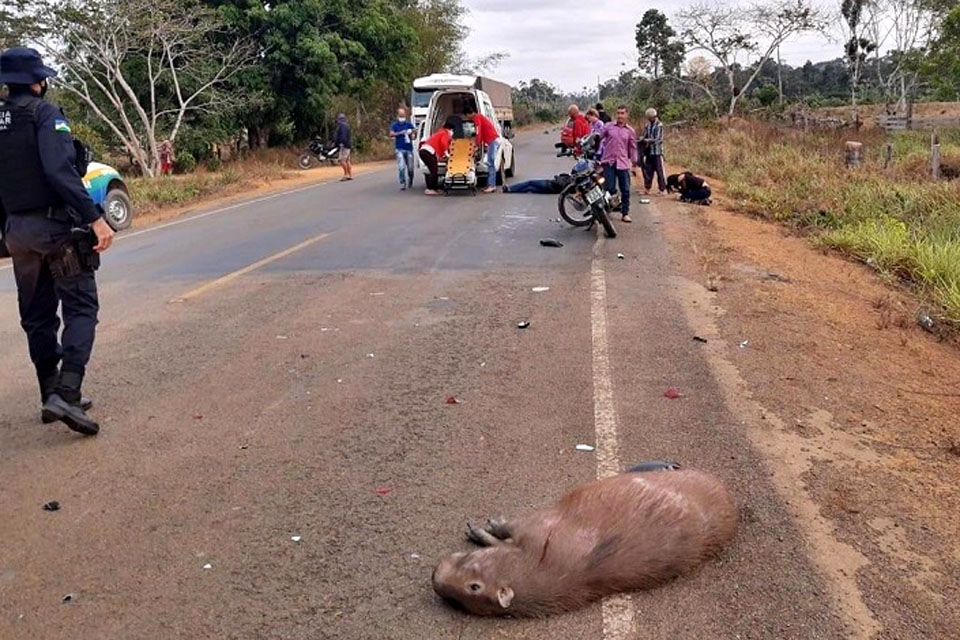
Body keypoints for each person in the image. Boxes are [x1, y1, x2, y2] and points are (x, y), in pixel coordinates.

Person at [0, 46, 115, 435]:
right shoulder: (44, 114)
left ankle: (50, 392)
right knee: (82, 308)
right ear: (36, 82)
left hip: (18, 235)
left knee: (37, 316)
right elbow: (60, 171)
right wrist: (96, 219)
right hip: (55, 232)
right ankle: (66, 394)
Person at [597, 105, 638, 223]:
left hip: (623, 163)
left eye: (622, 113)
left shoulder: (630, 131)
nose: (620, 116)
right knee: (609, 188)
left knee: (625, 189)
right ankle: (609, 209)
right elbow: (598, 137)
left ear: (627, 115)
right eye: (618, 113)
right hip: (608, 162)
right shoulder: (609, 127)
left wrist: (634, 163)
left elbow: (633, 148)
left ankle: (625, 213)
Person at [465, 105, 501, 194]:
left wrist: (476, 145)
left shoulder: (477, 118)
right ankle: (490, 184)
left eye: (466, 116)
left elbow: (478, 132)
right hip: (492, 141)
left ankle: (492, 186)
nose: (467, 118)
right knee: (489, 163)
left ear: (469, 114)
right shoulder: (480, 117)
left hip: (492, 141)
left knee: (490, 163)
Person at [418, 117, 456, 196]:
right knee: (434, 170)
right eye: (453, 130)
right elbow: (443, 143)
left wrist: (443, 155)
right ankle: (430, 189)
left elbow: (439, 146)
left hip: (424, 151)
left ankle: (434, 188)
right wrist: (447, 154)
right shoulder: (445, 133)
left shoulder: (440, 132)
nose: (453, 133)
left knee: (433, 170)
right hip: (428, 152)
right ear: (450, 129)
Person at [640, 107, 666, 195]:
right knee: (648, 170)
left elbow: (659, 139)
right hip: (649, 152)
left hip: (657, 151)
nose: (649, 119)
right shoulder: (648, 125)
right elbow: (645, 135)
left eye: (650, 117)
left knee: (659, 171)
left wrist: (648, 141)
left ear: (653, 117)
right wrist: (642, 139)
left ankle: (662, 189)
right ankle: (647, 188)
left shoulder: (659, 125)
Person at [390, 107, 415, 191]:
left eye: (403, 115)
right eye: (400, 115)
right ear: (397, 116)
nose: (402, 116)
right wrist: (400, 133)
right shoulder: (395, 125)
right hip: (399, 148)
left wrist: (411, 132)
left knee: (410, 167)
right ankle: (402, 182)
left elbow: (415, 130)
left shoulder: (408, 124)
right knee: (401, 167)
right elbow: (391, 134)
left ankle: (410, 179)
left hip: (409, 148)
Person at [334, 113, 352, 181]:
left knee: (342, 160)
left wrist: (341, 143)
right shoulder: (346, 125)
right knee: (347, 160)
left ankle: (346, 175)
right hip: (348, 145)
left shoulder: (342, 126)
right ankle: (350, 175)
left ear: (340, 120)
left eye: (338, 119)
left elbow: (343, 136)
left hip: (344, 145)